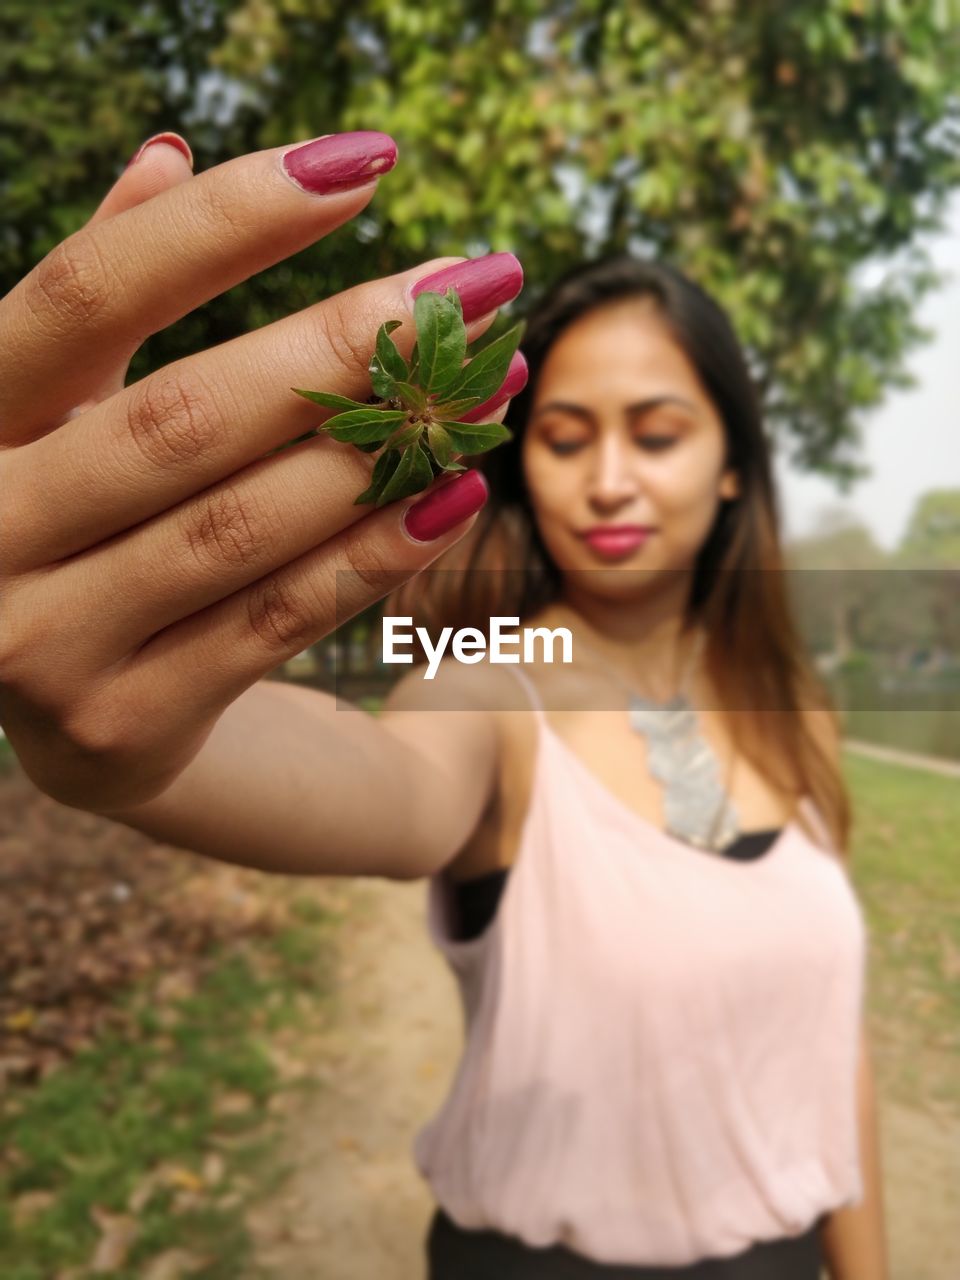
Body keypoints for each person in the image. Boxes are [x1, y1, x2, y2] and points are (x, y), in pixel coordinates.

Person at [0, 133, 887, 1279]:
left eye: (658, 432)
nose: (610, 476)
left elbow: (831, 1040)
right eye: (565, 437)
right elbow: (386, 785)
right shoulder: (484, 683)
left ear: (731, 464)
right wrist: (138, 736)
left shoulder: (795, 714)